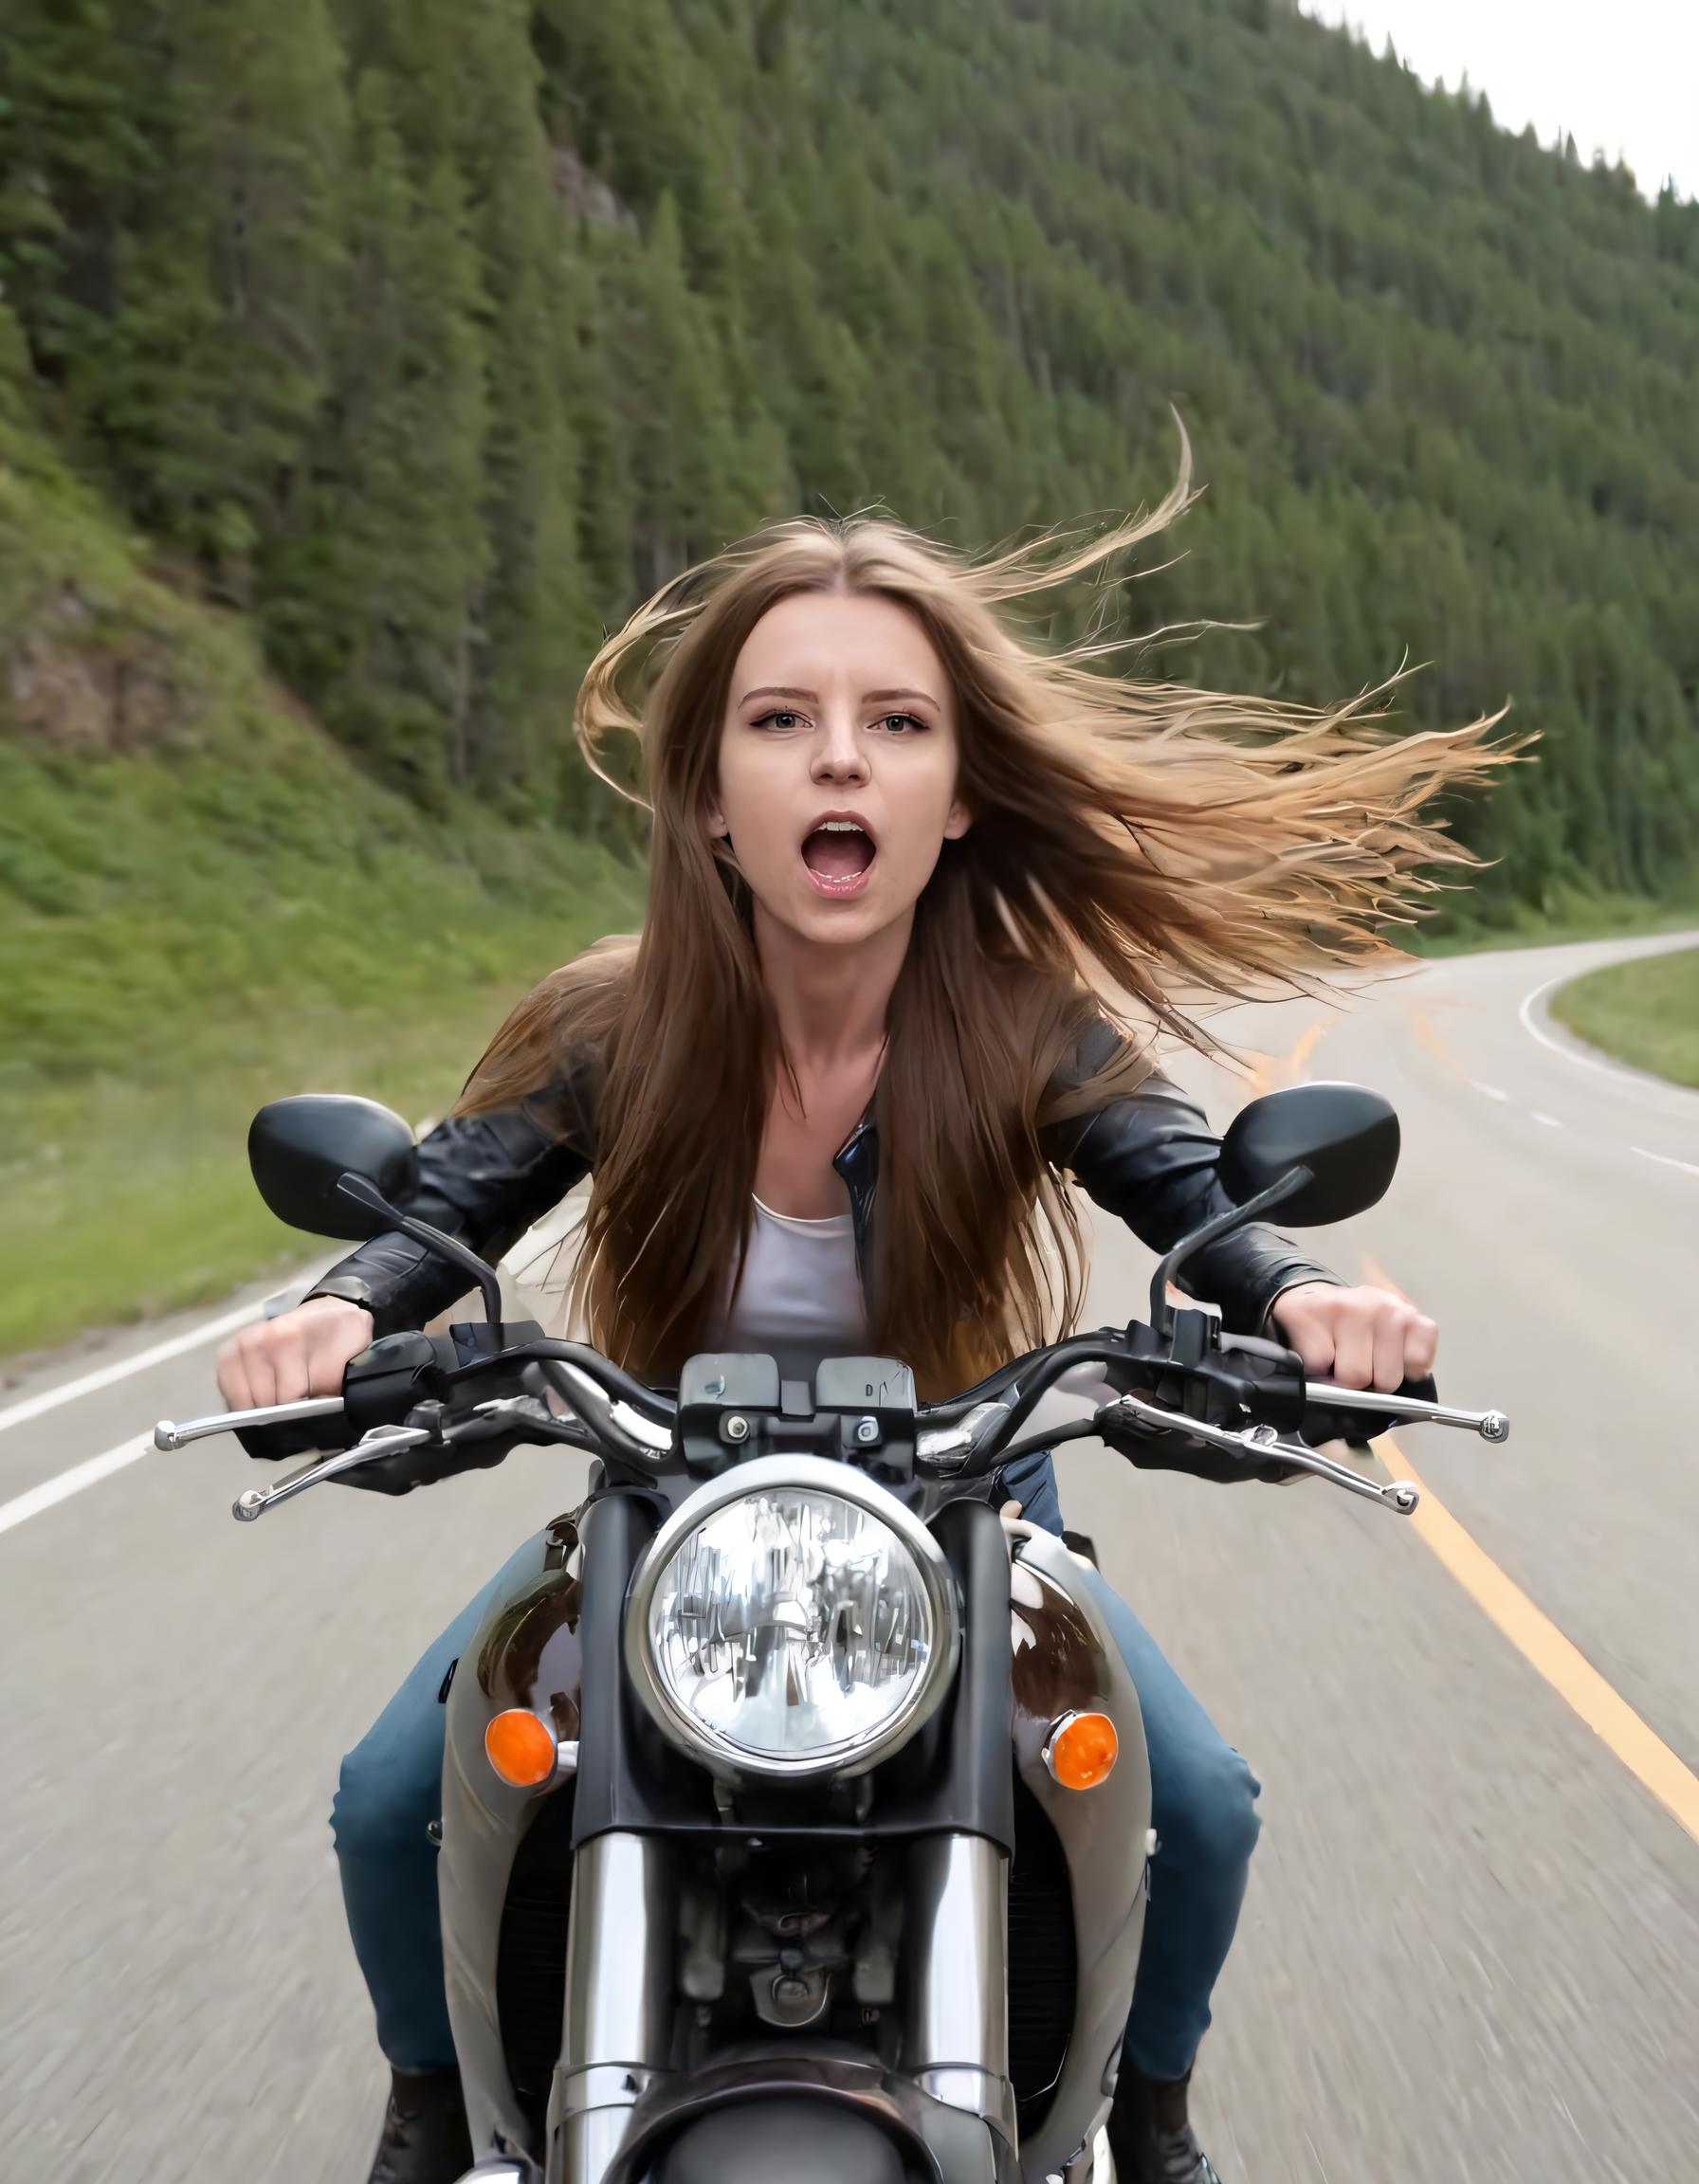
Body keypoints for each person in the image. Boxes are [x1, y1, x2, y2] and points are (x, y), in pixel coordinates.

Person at [218, 467, 1501, 2184]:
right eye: (781, 718)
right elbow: (434, 1217)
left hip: (971, 1499)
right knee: (396, 1795)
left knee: (1198, 1804)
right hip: (661, 1499)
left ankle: (1156, 2112)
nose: (840, 756)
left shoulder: (1028, 1026)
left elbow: (1193, 1191)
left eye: (896, 722)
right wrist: (330, 1319)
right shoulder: (616, 1026)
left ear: (957, 798)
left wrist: (1303, 1294)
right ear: (710, 795)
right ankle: (436, 2107)